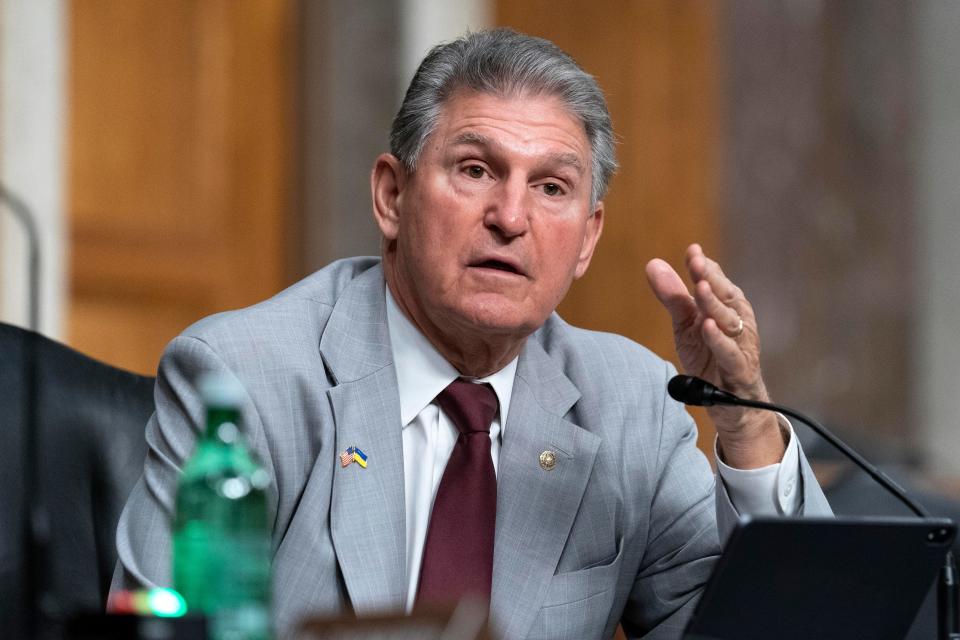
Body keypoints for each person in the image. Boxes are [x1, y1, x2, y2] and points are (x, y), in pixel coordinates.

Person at [112, 29, 830, 639]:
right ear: (392, 197)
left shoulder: (630, 404)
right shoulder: (245, 378)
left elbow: (772, 629)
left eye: (552, 187)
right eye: (477, 169)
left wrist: (746, 424)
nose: (511, 217)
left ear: (586, 239)